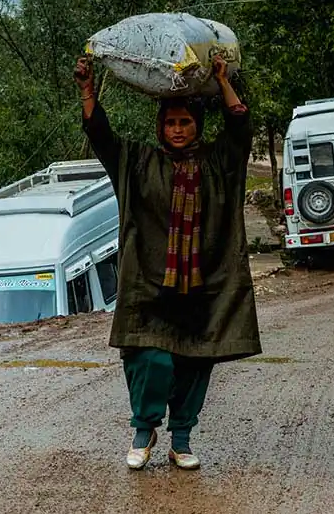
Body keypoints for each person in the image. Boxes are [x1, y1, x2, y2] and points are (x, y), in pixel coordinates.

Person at [74, 54, 262, 471]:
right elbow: (102, 136)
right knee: (150, 359)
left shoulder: (218, 162)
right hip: (150, 286)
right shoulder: (139, 164)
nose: (177, 130)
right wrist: (87, 90)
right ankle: (144, 430)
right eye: (170, 123)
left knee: (195, 360)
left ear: (197, 126)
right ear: (160, 127)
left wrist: (221, 80)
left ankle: (181, 438)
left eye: (185, 123)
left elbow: (240, 127)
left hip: (203, 284)